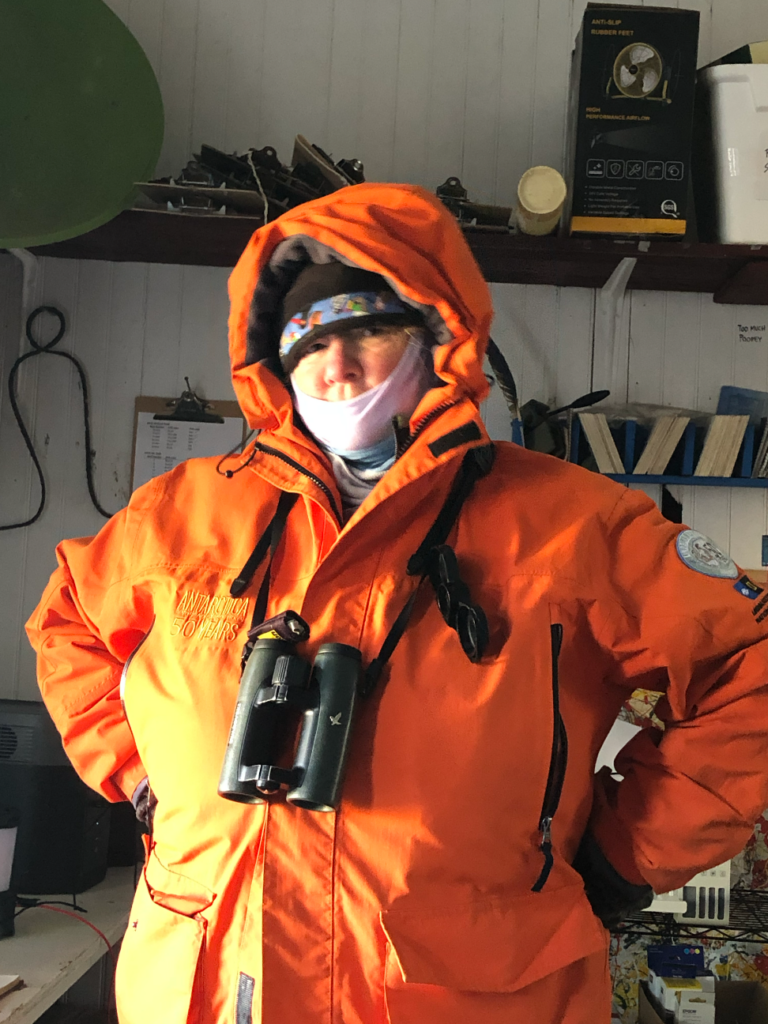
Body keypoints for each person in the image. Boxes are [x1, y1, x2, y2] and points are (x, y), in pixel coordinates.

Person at [26, 182, 768, 1024]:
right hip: (209, 980)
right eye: (307, 338)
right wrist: (136, 773)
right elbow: (68, 625)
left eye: (368, 329)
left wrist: (626, 854)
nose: (335, 362)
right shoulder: (179, 516)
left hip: (471, 993)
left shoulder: (575, 527)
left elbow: (752, 664)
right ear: (274, 362)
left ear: (436, 336)